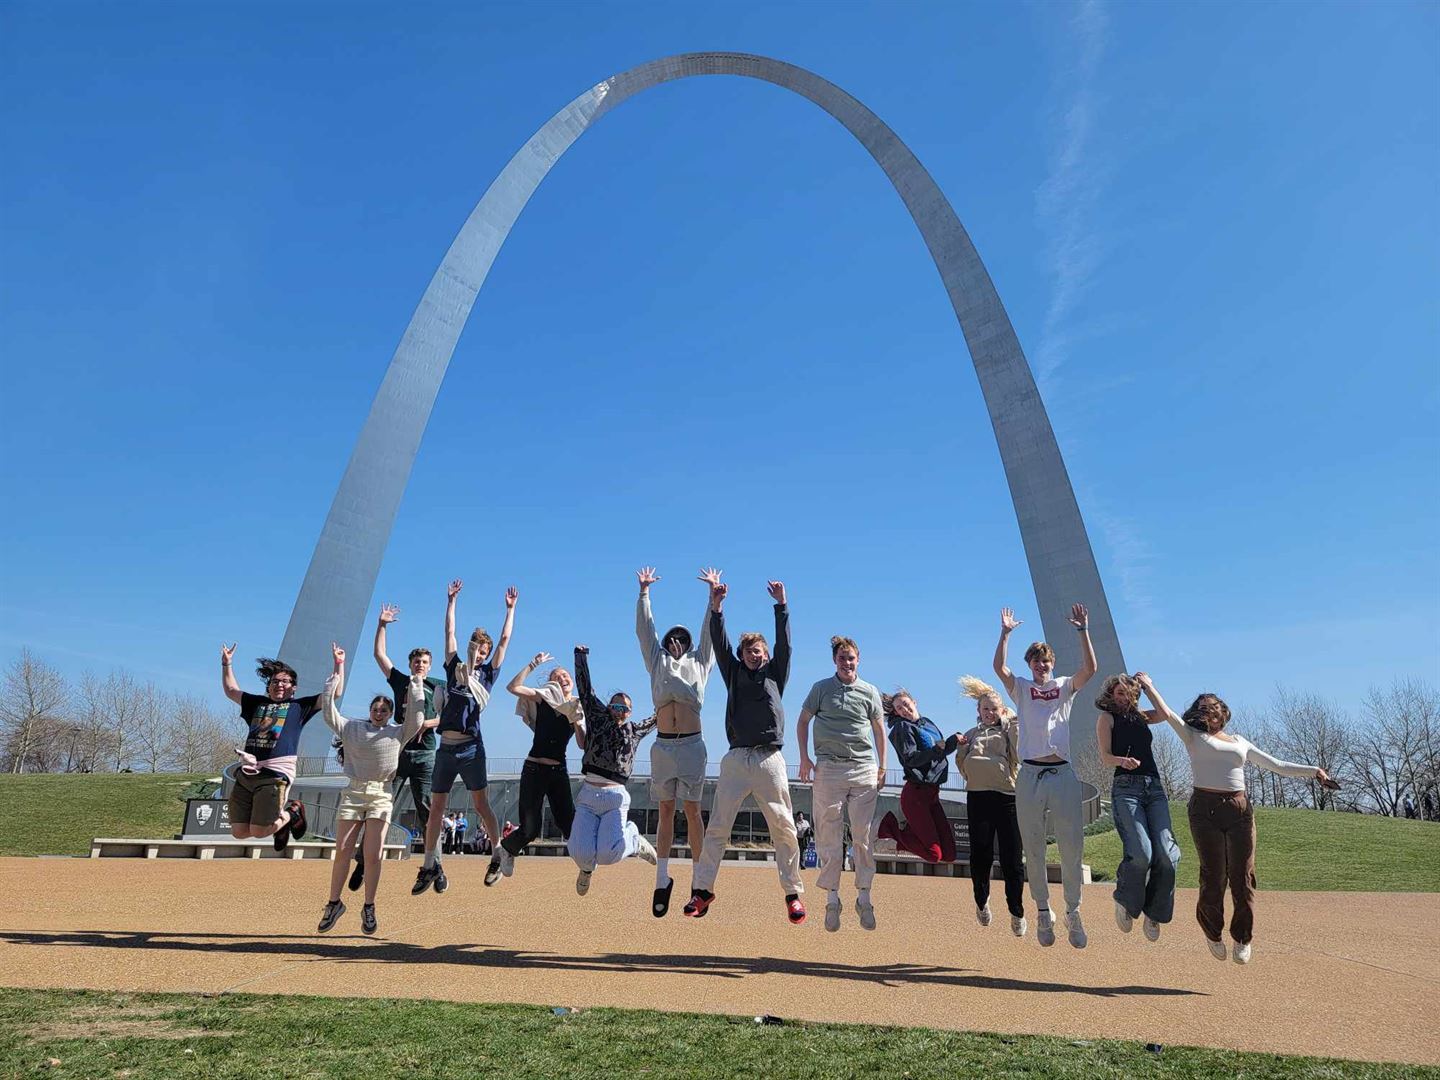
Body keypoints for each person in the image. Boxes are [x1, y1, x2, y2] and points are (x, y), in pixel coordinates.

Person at [1141, 674, 1339, 964]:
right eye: (1202, 706)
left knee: (1243, 876)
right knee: (1214, 875)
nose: (1208, 709)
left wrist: (1315, 771)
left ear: (1222, 711)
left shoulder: (1239, 742)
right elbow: (1167, 713)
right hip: (1204, 810)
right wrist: (1148, 686)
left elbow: (1278, 766)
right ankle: (1212, 932)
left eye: (1212, 706)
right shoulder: (1191, 735)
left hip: (1240, 810)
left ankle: (1243, 937)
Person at [683, 578, 805, 924]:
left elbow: (786, 645)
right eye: (749, 650)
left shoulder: (775, 674)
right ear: (742, 655)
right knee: (718, 826)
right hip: (737, 759)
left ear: (765, 654)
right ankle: (702, 891)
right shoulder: (734, 673)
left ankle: (793, 894)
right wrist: (716, 605)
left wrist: (781, 604)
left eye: (759, 650)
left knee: (783, 827)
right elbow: (719, 644)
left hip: (769, 760)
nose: (755, 654)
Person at [993, 603, 1097, 949]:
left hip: (1063, 772)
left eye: (1046, 661)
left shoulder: (1065, 686)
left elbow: (1091, 669)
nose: (1041, 665)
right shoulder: (1021, 688)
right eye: (1036, 661)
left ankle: (1073, 910)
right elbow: (999, 668)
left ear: (1052, 664)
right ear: (1030, 665)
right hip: (1030, 774)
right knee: (1033, 847)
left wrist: (1083, 631)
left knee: (1071, 846)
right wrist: (1005, 634)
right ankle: (1042, 908)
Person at [413, 580, 515, 895]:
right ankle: (429, 864)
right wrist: (451, 603)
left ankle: (498, 853)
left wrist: (510, 610)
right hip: (446, 749)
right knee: (436, 810)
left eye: (484, 652)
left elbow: (504, 641)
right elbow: (449, 635)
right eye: (478, 650)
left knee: (482, 805)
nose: (481, 655)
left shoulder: (485, 676)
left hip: (472, 749)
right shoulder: (455, 668)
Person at [316, 643, 423, 936]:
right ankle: (333, 903)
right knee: (342, 851)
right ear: (370, 711)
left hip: (381, 794)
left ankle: (369, 905)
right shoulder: (351, 728)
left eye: (384, 709)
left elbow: (417, 719)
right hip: (353, 792)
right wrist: (337, 671)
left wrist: (416, 685)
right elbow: (329, 713)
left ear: (390, 713)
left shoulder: (397, 732)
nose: (379, 712)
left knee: (373, 855)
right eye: (375, 709)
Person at [635, 566, 716, 916]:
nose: (677, 643)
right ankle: (662, 878)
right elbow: (645, 632)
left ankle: (700, 883)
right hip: (664, 746)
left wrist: (712, 598)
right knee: (665, 810)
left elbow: (708, 633)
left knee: (693, 810)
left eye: (682, 639)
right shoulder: (658, 662)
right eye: (672, 639)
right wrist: (644, 593)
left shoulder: (700, 662)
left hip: (692, 745)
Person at [797, 635, 887, 932]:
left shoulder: (869, 691)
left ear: (858, 659)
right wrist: (804, 758)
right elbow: (803, 720)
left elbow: (878, 730)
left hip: (863, 768)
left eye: (851, 658)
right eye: (841, 658)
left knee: (862, 835)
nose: (847, 663)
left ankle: (864, 896)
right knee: (828, 834)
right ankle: (833, 899)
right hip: (828, 768)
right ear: (834, 661)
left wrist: (882, 765)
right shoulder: (821, 689)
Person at [359, 601, 445, 893]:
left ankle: (435, 866)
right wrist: (381, 624)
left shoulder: (438, 684)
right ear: (410, 665)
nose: (419, 665)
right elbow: (379, 655)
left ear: (429, 665)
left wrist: (428, 724)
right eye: (416, 662)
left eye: (424, 662)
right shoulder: (401, 681)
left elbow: (451, 716)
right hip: (397, 750)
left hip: (425, 753)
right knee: (381, 803)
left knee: (427, 810)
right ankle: (362, 859)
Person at [564, 645, 660, 895]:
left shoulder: (635, 731)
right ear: (609, 707)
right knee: (579, 851)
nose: (619, 710)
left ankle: (635, 840)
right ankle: (586, 870)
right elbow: (585, 690)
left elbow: (660, 714)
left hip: (616, 796)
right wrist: (580, 657)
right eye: (615, 706)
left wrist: (672, 690)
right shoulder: (597, 717)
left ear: (629, 713)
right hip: (588, 794)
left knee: (609, 855)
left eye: (624, 708)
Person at [1095, 672, 1179, 943]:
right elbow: (1105, 757)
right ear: (1111, 694)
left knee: (1166, 855)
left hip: (1154, 789)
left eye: (1129, 693)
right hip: (1126, 789)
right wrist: (1122, 760)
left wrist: (1150, 685)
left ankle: (1154, 910)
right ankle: (1124, 899)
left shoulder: (1143, 716)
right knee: (1141, 852)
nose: (1123, 698)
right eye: (1119, 693)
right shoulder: (1106, 718)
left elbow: (1165, 714)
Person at [220, 643, 316, 851]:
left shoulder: (300, 707)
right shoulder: (256, 704)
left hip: (275, 774)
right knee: (239, 832)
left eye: (285, 681)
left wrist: (339, 665)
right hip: (248, 772)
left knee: (259, 831)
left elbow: (333, 695)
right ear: (268, 685)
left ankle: (293, 813)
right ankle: (284, 822)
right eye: (274, 681)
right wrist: (226, 663)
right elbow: (231, 690)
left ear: (294, 687)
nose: (279, 685)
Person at [496, 651, 579, 882]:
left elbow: (583, 743)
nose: (562, 678)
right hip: (534, 769)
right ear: (552, 682)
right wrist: (533, 664)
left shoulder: (578, 706)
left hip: (558, 771)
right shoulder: (543, 697)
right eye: (557, 676)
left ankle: (586, 866)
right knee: (530, 829)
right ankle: (508, 849)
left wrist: (577, 720)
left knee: (570, 826)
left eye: (565, 675)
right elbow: (513, 687)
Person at [956, 677, 1026, 936]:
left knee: (1012, 859)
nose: (989, 713)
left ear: (1002, 710)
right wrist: (964, 755)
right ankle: (981, 901)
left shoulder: (1008, 730)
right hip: (978, 797)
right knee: (980, 856)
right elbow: (962, 764)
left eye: (994, 709)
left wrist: (1014, 724)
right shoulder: (971, 734)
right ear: (978, 711)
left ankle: (1016, 910)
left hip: (1007, 797)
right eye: (985, 709)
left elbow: (1019, 755)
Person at [877, 690, 960, 865]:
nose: (904, 710)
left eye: (906, 704)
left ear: (914, 702)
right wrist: (936, 750)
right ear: (896, 713)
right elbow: (911, 759)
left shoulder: (927, 723)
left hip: (932, 795)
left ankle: (906, 830)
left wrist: (954, 740)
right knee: (933, 855)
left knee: (950, 854)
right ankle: (888, 829)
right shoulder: (902, 728)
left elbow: (941, 750)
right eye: (899, 708)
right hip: (916, 794)